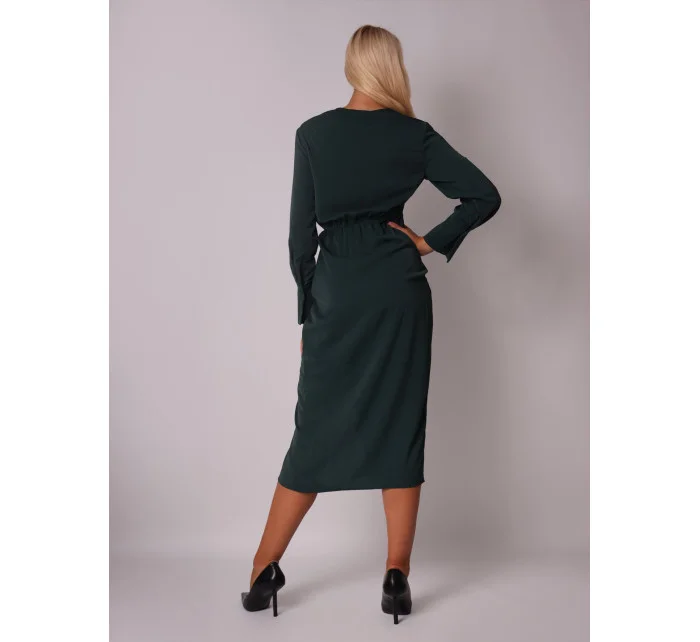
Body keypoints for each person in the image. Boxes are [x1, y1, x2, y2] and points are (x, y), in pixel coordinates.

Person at [241, 24, 501, 623]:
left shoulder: (313, 134)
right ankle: (396, 576)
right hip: (398, 290)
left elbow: (298, 243)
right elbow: (483, 195)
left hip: (337, 293)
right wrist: (428, 243)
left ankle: (262, 570)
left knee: (314, 428)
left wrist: (310, 316)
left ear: (351, 66)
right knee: (401, 425)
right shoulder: (414, 135)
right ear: (392, 67)